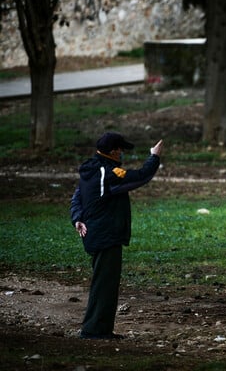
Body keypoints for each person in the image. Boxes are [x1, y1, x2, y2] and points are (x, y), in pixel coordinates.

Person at [70, 132, 163, 339]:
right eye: (120, 149)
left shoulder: (90, 169)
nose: (122, 153)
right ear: (113, 151)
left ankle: (96, 328)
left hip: (95, 233)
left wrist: (76, 218)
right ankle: (95, 330)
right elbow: (141, 176)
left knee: (102, 282)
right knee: (106, 285)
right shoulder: (109, 173)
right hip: (107, 235)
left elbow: (77, 197)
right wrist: (154, 156)